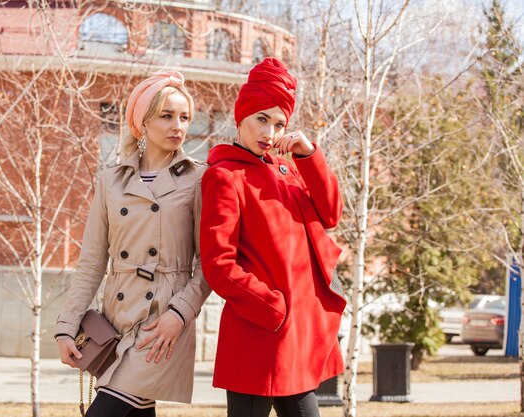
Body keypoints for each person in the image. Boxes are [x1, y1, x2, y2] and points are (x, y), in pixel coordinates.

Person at [55, 70, 210, 417]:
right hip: (117, 318)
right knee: (136, 411)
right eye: (166, 116)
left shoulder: (199, 178)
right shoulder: (111, 180)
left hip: (162, 321)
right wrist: (66, 327)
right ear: (142, 121)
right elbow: (93, 260)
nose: (178, 126)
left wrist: (180, 314)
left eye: (184, 117)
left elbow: (210, 262)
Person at [199, 57, 346, 417]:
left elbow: (330, 214)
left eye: (279, 123)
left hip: (293, 335)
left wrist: (309, 155)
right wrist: (273, 308)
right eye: (261, 119)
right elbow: (218, 263)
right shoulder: (224, 177)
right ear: (241, 119)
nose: (270, 132)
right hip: (259, 334)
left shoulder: (286, 169)